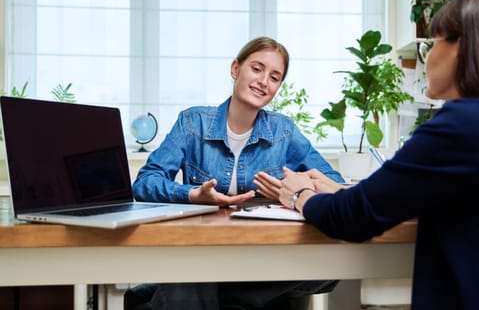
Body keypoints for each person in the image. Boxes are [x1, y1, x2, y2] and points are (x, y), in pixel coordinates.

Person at [261, 0, 479, 310]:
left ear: (463, 48)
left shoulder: (465, 124)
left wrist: (298, 194)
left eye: (432, 43)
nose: (427, 56)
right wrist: (337, 189)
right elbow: (463, 202)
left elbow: (355, 217)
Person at [132, 36, 345, 309]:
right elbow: (145, 182)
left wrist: (297, 187)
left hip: (262, 252)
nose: (263, 81)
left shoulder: (284, 131)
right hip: (204, 248)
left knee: (327, 271)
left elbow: (334, 183)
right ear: (236, 69)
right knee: (195, 274)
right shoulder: (192, 122)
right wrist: (194, 194)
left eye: (274, 77)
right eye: (257, 69)